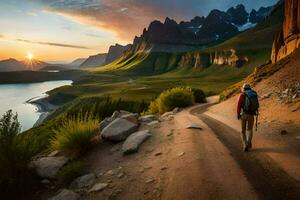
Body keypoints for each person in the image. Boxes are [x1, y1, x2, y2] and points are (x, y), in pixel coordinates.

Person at [237, 83, 259, 152]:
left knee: (243, 131)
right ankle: (249, 142)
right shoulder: (253, 94)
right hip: (251, 115)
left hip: (243, 115)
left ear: (244, 88)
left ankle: (245, 144)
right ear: (249, 88)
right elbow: (256, 104)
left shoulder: (242, 95)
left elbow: (238, 106)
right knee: (249, 129)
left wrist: (238, 115)